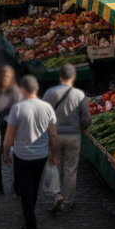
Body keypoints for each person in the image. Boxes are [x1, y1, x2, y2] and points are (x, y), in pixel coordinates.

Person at [3, 75, 58, 229]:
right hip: (41, 155)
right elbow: (53, 136)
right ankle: (30, 213)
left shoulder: (17, 108)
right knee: (33, 187)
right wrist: (54, 155)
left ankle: (30, 224)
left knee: (26, 189)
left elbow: (8, 137)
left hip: (22, 155)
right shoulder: (47, 107)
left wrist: (6, 154)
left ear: (22, 90)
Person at [42, 63, 90, 213]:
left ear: (60, 77)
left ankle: (57, 194)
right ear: (73, 77)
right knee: (70, 169)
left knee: (53, 164)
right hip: (73, 136)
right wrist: (81, 128)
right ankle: (68, 201)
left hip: (54, 135)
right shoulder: (79, 95)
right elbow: (86, 118)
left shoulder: (50, 93)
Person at [0, 65, 23, 195]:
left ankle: (17, 187)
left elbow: (18, 110)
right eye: (2, 75)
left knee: (17, 156)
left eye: (7, 76)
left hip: (10, 127)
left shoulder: (15, 91)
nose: (4, 78)